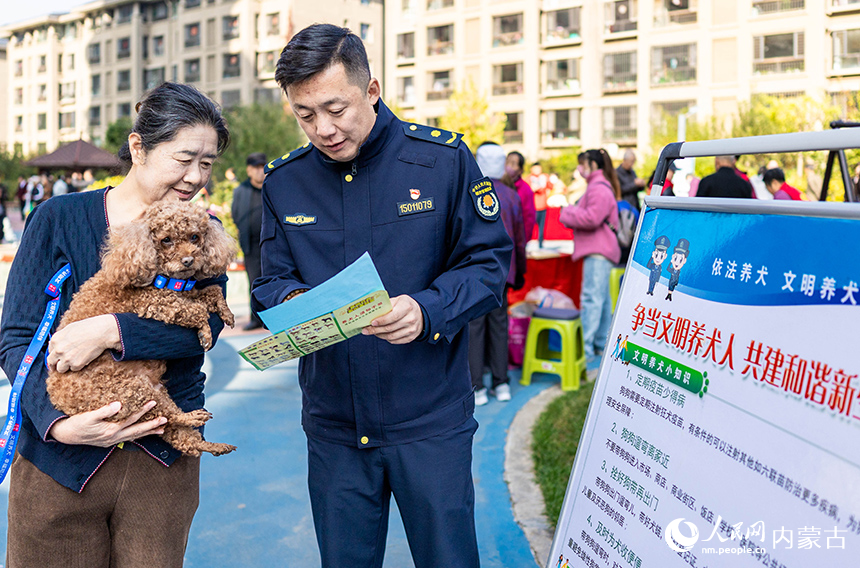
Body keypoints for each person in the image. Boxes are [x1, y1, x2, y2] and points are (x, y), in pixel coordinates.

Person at [252, 24, 511, 567]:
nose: (323, 129)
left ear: (371, 90)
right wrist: (295, 303)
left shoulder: (442, 161)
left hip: (429, 421)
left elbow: (488, 265)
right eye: (305, 114)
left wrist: (426, 309)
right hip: (335, 428)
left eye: (336, 108)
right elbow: (270, 282)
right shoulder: (284, 183)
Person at [0, 82, 231, 567]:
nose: (195, 177)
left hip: (161, 457)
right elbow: (17, 336)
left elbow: (205, 327)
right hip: (59, 463)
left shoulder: (200, 230)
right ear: (138, 147)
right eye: (184, 158)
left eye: (207, 163)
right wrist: (59, 424)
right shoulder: (58, 218)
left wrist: (111, 331)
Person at [471, 143, 527, 406]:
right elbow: (519, 239)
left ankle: (477, 386)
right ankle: (501, 382)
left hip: (473, 270)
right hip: (503, 271)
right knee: (499, 325)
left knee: (474, 327)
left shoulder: (469, 191)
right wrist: (520, 270)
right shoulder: (511, 195)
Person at [559, 149, 621, 364]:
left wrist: (567, 212)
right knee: (601, 300)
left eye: (583, 164)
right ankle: (598, 345)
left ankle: (584, 351)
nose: (580, 168)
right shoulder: (601, 186)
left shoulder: (598, 188)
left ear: (593, 165)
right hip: (602, 250)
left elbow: (592, 218)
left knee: (592, 299)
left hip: (597, 250)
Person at [231, 152, 268, 330]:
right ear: (249, 170)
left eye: (262, 167)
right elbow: (236, 214)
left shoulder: (272, 186)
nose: (260, 171)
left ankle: (273, 318)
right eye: (256, 168)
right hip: (251, 245)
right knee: (254, 282)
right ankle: (256, 319)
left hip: (272, 244)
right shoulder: (241, 190)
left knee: (273, 281)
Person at [502, 150, 536, 244]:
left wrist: (522, 242)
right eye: (507, 162)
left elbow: (529, 219)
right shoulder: (498, 186)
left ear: (520, 170)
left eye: (513, 163)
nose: (508, 166)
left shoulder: (525, 190)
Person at [529, 162, 551, 247]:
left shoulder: (544, 177)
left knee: (542, 227)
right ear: (532, 169)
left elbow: (550, 186)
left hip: (543, 206)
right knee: (530, 226)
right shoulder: (529, 178)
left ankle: (541, 243)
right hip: (533, 207)